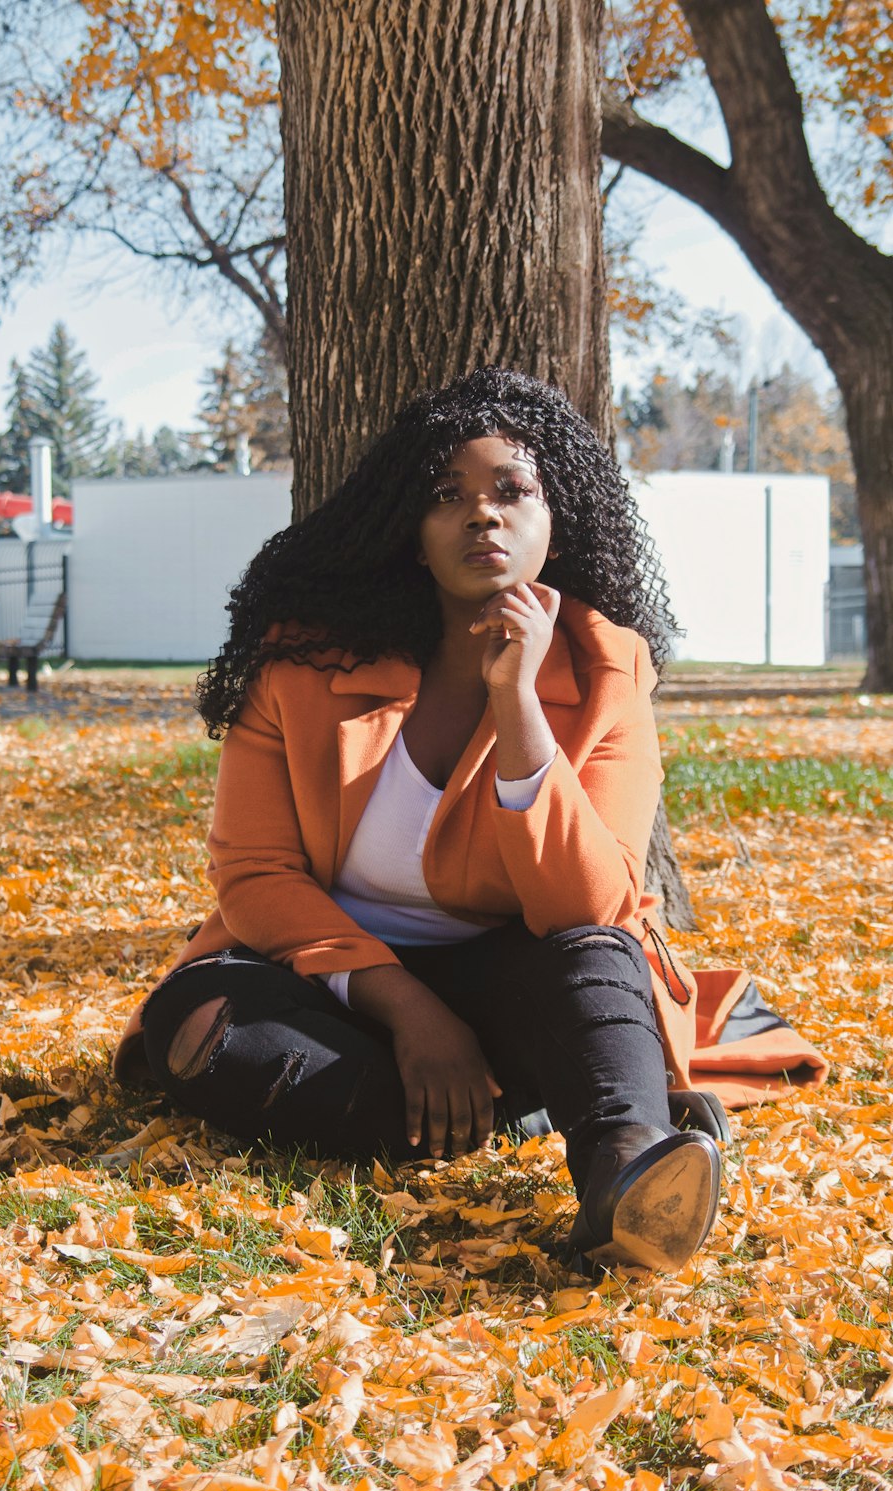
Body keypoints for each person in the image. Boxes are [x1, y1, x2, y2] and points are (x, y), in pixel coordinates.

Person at [113, 366, 827, 1274]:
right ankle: (514, 1102)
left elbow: (592, 902)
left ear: (553, 518)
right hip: (326, 982)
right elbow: (253, 876)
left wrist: (521, 708)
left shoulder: (609, 671)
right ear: (413, 536)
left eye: (511, 492)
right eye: (447, 497)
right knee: (199, 1023)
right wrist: (410, 1009)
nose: (481, 515)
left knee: (602, 959)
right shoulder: (300, 667)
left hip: (514, 975)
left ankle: (624, 1162)